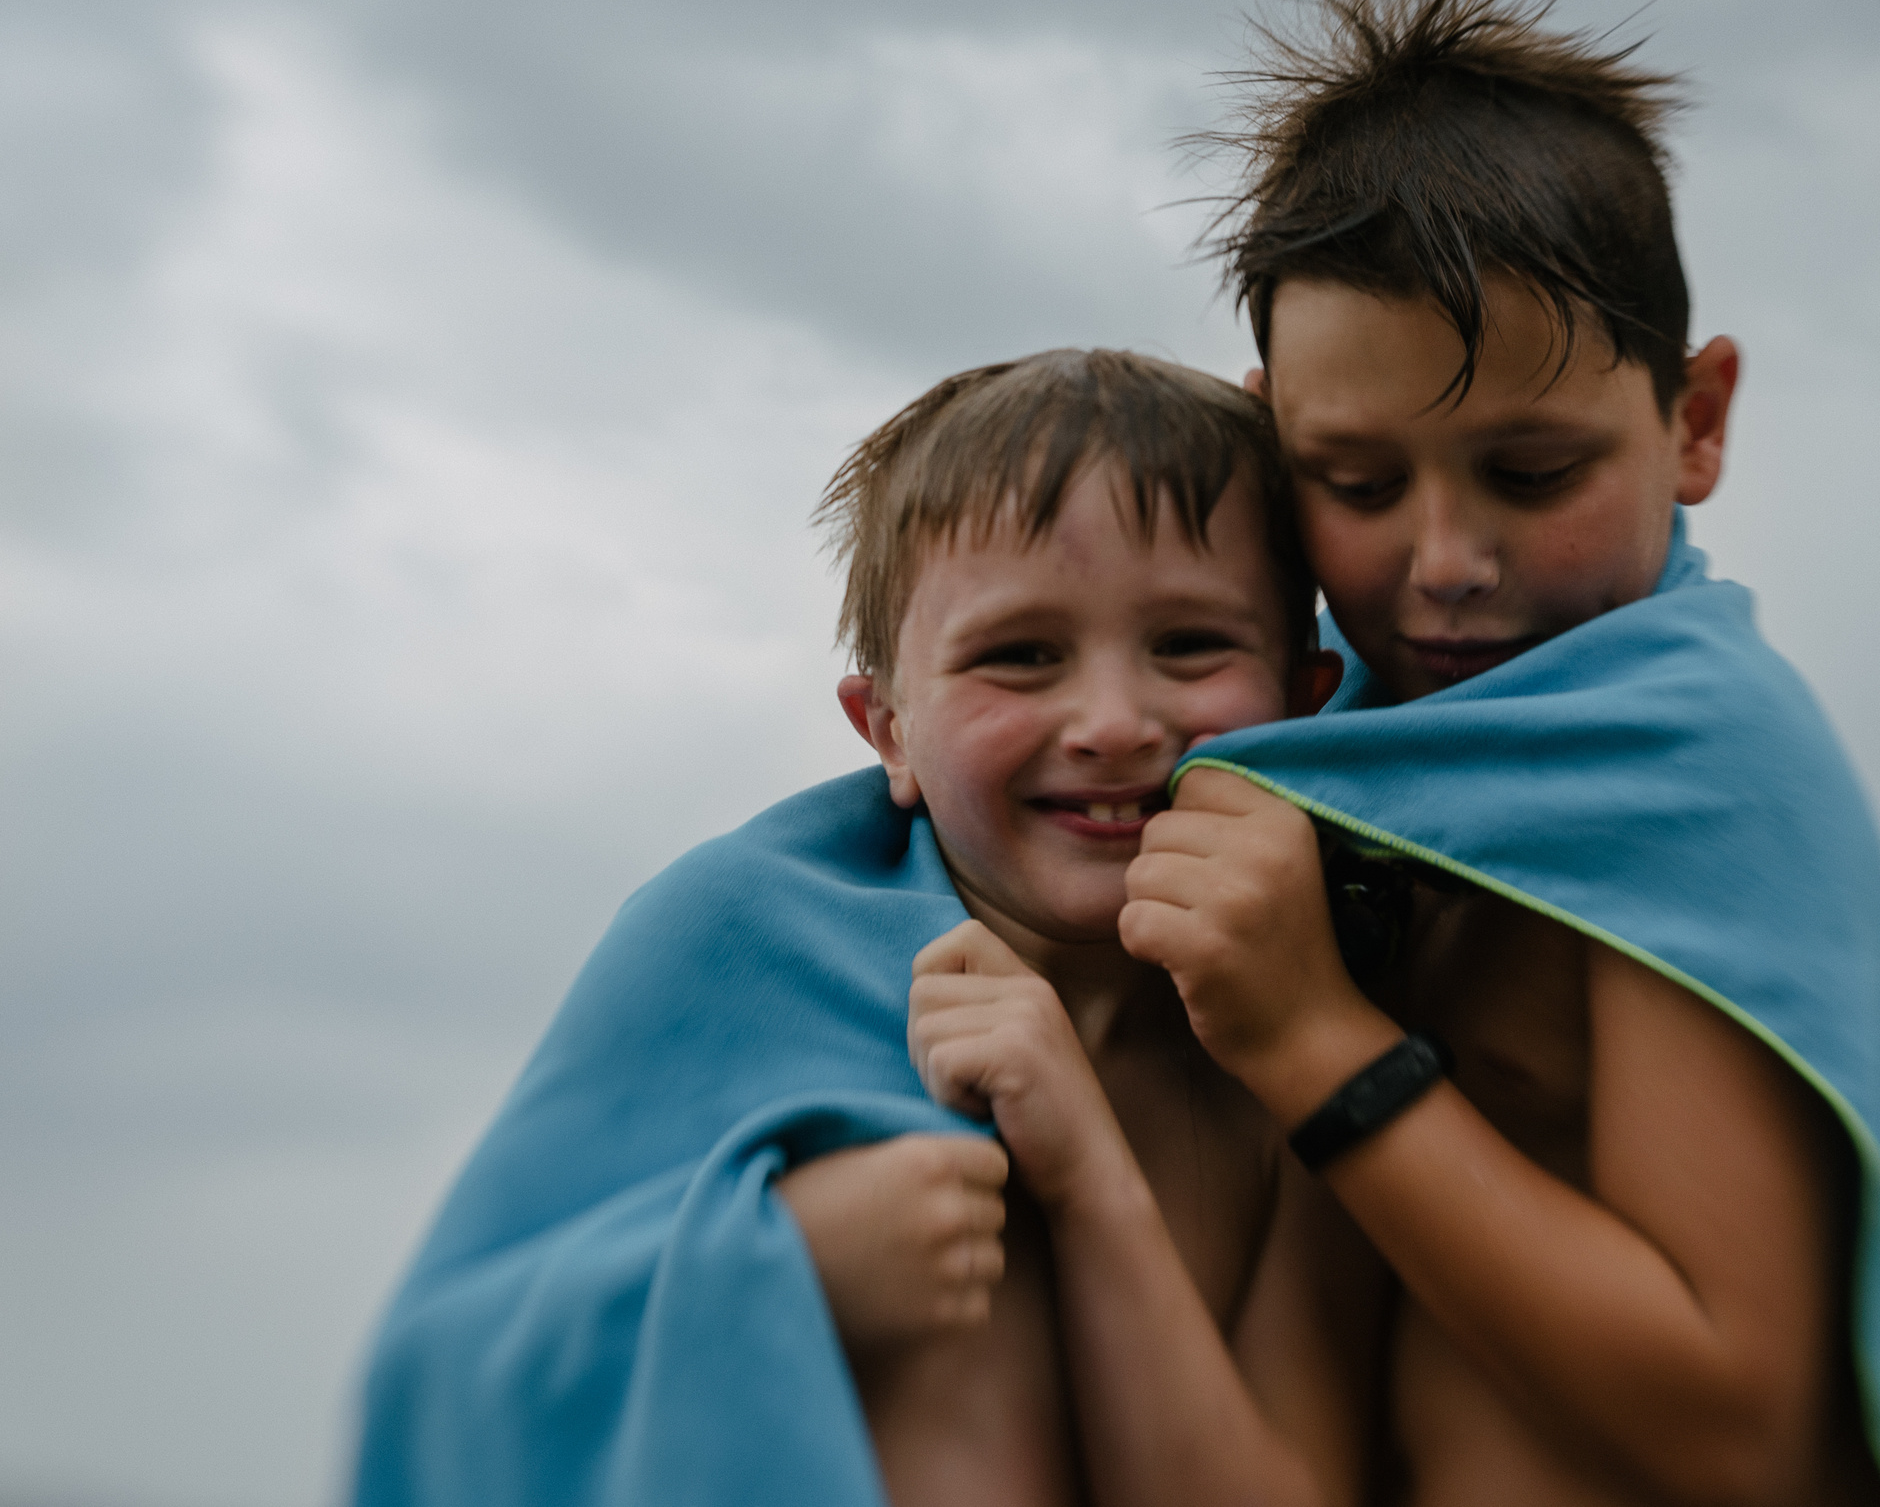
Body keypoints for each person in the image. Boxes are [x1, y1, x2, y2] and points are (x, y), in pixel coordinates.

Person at [1119, 0, 1880, 1507]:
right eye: (1357, 481)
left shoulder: (1697, 767)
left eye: (1534, 476)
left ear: (1696, 419)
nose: (1447, 563)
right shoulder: (1331, 770)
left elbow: (1735, 1417)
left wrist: (1318, 1041)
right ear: (1270, 443)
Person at [355, 350, 1382, 1507]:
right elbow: (434, 1373)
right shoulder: (741, 932)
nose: (1109, 721)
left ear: (1307, 700)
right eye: (1020, 656)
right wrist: (780, 1260)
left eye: (1189, 644)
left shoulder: (1318, 1011)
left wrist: (1093, 1182)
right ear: (886, 727)